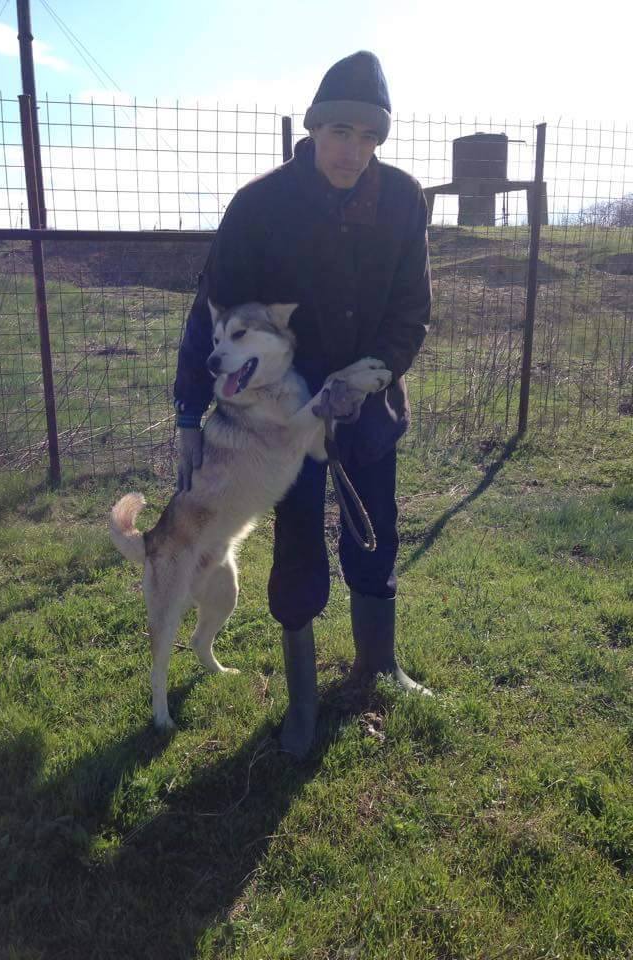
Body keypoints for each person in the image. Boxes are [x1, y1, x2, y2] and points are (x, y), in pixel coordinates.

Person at [173, 51, 432, 758]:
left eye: (368, 136)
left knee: (375, 527)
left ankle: (378, 664)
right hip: (277, 422)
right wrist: (189, 413)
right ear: (315, 128)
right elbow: (212, 317)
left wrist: (369, 377)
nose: (353, 150)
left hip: (368, 408)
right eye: (340, 131)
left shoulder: (405, 201)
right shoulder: (260, 206)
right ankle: (303, 703)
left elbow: (413, 310)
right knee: (296, 545)